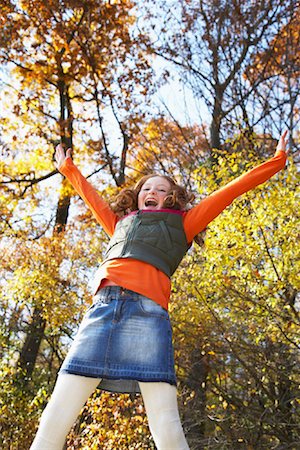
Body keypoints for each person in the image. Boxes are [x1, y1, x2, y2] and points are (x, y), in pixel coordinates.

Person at [30, 131, 289, 450]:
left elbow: (229, 192)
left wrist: (276, 162)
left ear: (172, 198)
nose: (151, 191)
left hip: (148, 315)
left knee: (165, 421)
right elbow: (91, 197)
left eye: (161, 189)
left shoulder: (184, 223)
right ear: (138, 197)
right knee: (57, 409)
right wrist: (69, 168)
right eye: (146, 188)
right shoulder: (119, 224)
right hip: (101, 311)